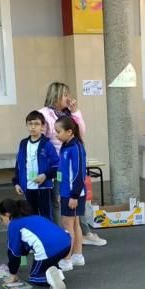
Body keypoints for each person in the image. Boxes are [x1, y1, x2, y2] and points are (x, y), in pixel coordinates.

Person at [37, 82, 106, 246]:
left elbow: (80, 131)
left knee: (75, 198)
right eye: (65, 95)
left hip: (69, 161)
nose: (68, 98)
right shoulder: (44, 114)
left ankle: (83, 234)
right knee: (58, 201)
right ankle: (59, 236)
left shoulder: (68, 115)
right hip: (54, 164)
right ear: (56, 96)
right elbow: (42, 138)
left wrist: (75, 112)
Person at [0, 198, 69, 289]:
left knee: (34, 277)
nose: (2, 222)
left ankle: (47, 279)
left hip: (49, 250)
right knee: (49, 260)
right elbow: (23, 248)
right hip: (66, 244)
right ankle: (57, 273)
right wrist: (21, 263)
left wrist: (13, 274)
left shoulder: (14, 225)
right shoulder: (34, 217)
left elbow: (13, 253)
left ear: (7, 214)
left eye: (1, 219)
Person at [12, 111, 59, 219]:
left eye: (37, 124)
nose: (33, 127)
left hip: (43, 188)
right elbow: (19, 164)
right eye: (30, 124)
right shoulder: (23, 143)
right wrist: (17, 182)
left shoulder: (47, 144)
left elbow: (56, 165)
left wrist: (45, 175)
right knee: (31, 216)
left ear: (42, 126)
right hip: (28, 187)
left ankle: (46, 235)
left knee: (45, 216)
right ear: (27, 125)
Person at [55, 115, 87, 271]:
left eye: (58, 131)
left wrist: (74, 195)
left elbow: (80, 173)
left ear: (69, 132)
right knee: (74, 224)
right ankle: (77, 255)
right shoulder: (66, 146)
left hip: (73, 194)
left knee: (67, 226)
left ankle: (67, 259)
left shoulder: (76, 148)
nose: (56, 134)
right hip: (67, 192)